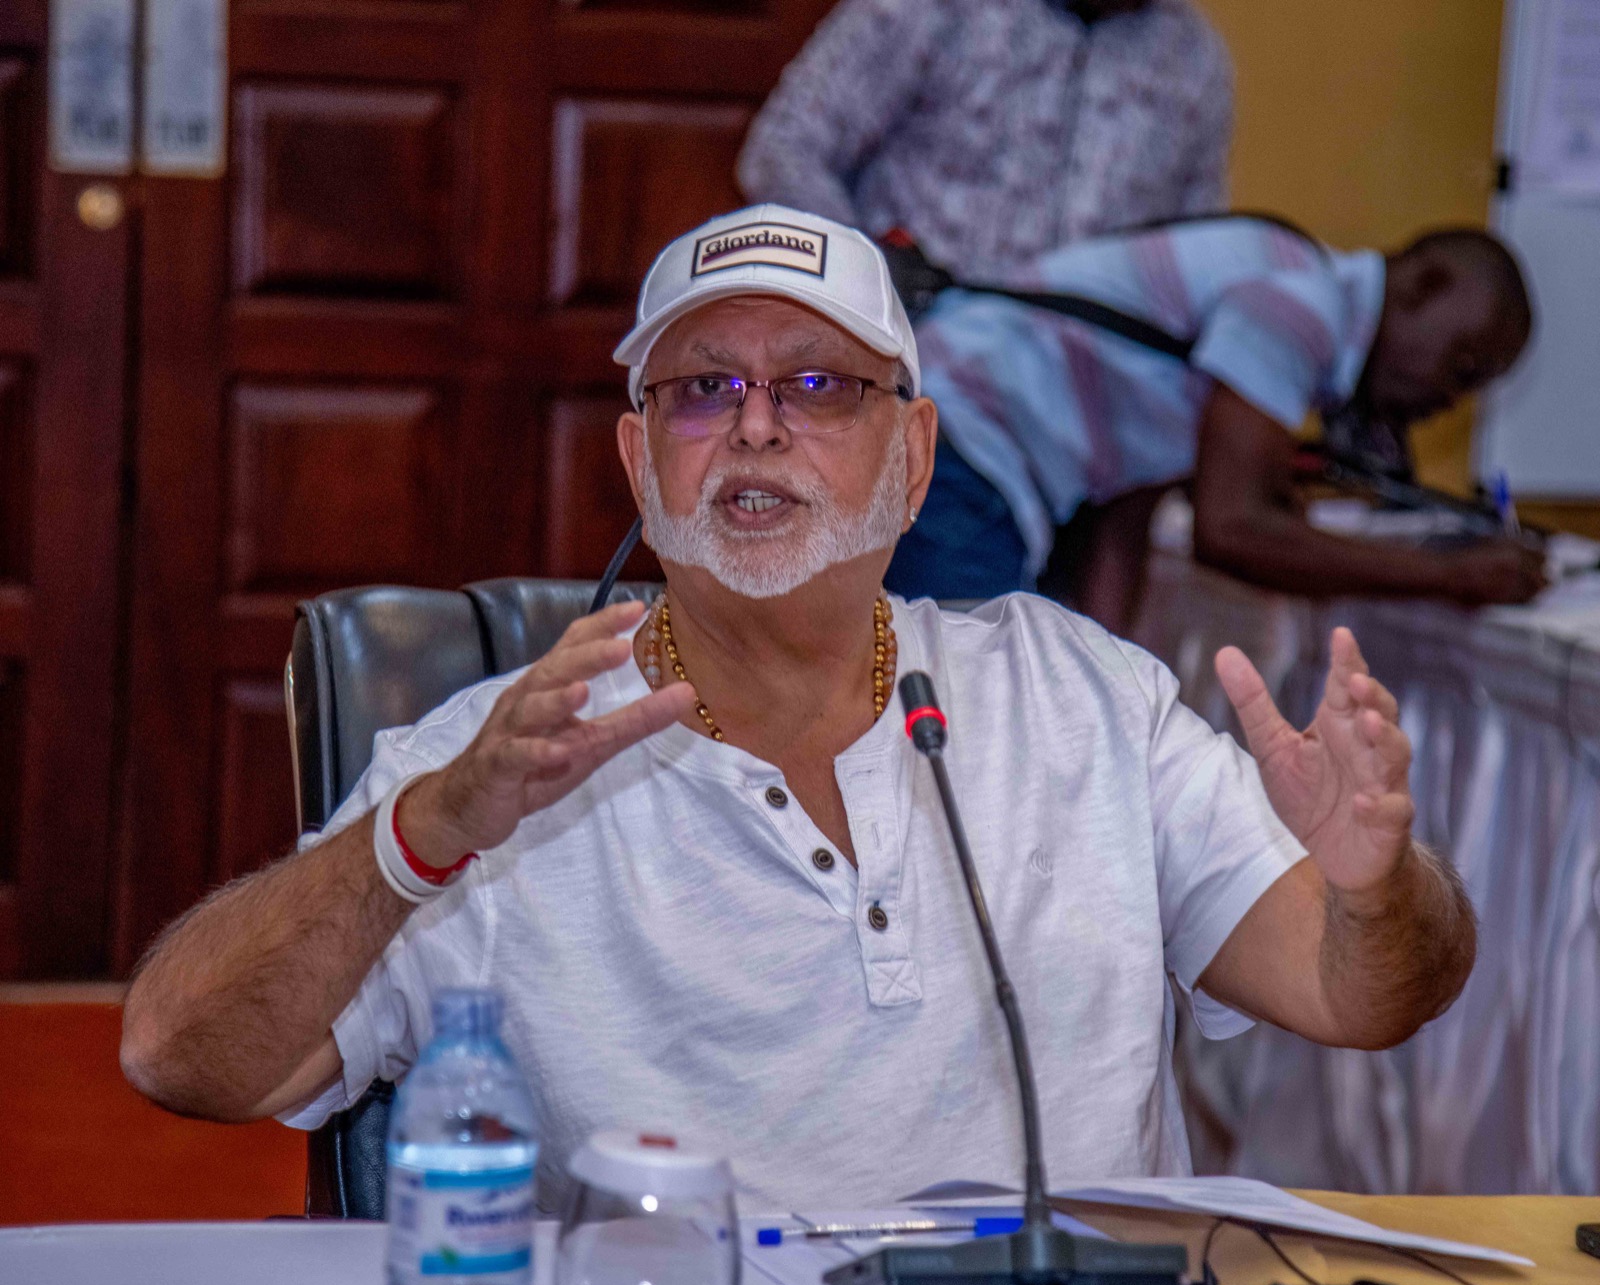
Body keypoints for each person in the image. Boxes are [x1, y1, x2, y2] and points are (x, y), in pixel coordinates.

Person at [121, 205, 1476, 1212]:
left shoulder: (1081, 696)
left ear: (917, 454)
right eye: (703, 389)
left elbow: (1365, 996)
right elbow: (179, 1055)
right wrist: (421, 835)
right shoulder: (496, 767)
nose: (757, 427)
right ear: (638, 459)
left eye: (820, 385)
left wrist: (1375, 887)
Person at [884, 218, 1546, 632]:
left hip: (949, 441)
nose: (1450, 400)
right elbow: (1232, 530)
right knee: (974, 728)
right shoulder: (1302, 306)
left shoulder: (1289, 280)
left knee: (991, 716)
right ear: (1424, 285)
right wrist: (1451, 578)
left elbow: (1124, 515)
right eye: (1462, 367)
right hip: (962, 450)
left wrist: (1108, 688)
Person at [736, 0, 1233, 279]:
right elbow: (782, 148)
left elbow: (1190, 257)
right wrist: (869, 276)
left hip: (1090, 392)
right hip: (913, 361)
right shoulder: (934, 8)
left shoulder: (1193, 59)